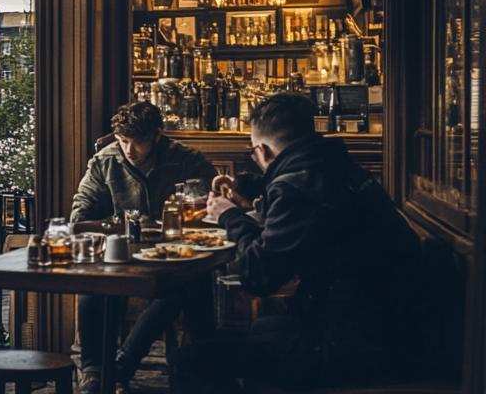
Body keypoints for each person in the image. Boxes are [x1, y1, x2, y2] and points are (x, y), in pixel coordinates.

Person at [172, 93, 424, 394]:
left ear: (262, 150)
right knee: (262, 327)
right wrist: (246, 188)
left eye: (254, 153)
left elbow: (258, 278)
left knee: (186, 360)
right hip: (396, 326)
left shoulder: (296, 189)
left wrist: (230, 217)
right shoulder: (337, 167)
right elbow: (299, 203)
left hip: (356, 343)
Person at [72, 102, 216, 394]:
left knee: (178, 288)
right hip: (121, 255)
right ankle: (93, 370)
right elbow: (80, 217)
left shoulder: (186, 160)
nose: (129, 150)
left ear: (157, 135)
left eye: (137, 142)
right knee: (92, 283)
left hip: (173, 258)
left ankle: (121, 367)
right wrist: (125, 224)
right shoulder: (104, 161)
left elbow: (210, 209)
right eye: (123, 141)